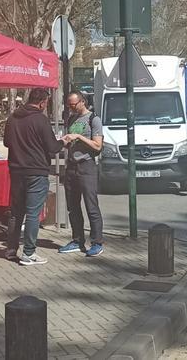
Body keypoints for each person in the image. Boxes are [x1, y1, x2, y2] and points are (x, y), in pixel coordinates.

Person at [4, 88, 68, 266]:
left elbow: (6, 142)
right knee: (32, 213)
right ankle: (29, 253)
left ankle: (11, 250)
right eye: (46, 103)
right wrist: (63, 141)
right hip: (36, 172)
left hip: (16, 170)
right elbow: (53, 147)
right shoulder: (41, 119)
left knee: (16, 213)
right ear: (42, 102)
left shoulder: (13, 117)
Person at [59, 92, 105, 257]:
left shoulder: (94, 119)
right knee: (73, 206)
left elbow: (98, 146)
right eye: (69, 105)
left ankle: (97, 242)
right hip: (72, 166)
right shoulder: (71, 119)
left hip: (87, 166)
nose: (71, 107)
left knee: (91, 205)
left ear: (82, 102)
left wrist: (78, 136)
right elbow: (71, 144)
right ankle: (77, 240)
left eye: (73, 104)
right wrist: (66, 141)